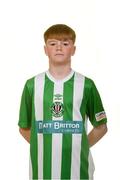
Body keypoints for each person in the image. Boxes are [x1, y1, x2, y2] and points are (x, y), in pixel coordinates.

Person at [18, 24, 108, 180]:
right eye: (53, 43)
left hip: (78, 171)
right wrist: (45, 145)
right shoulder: (32, 85)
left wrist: (80, 145)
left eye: (65, 43)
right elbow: (24, 128)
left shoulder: (86, 85)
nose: (59, 48)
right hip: (42, 172)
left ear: (73, 49)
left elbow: (101, 127)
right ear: (45, 49)